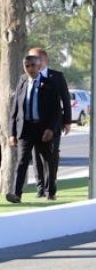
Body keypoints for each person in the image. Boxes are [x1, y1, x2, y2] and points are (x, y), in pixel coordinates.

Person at [6, 54, 61, 203]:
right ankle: (17, 194)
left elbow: (56, 110)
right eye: (27, 66)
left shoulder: (49, 84)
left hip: (43, 130)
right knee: (22, 162)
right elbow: (15, 110)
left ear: (39, 67)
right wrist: (12, 133)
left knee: (48, 161)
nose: (30, 68)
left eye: (33, 65)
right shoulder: (22, 83)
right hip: (25, 129)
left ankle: (50, 191)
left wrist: (50, 129)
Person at [27, 47, 70, 200]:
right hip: (33, 125)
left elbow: (65, 99)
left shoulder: (57, 77)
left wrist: (67, 121)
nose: (32, 62)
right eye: (30, 58)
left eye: (36, 58)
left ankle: (50, 187)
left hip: (53, 124)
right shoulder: (27, 77)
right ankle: (40, 187)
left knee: (51, 155)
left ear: (44, 60)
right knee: (36, 156)